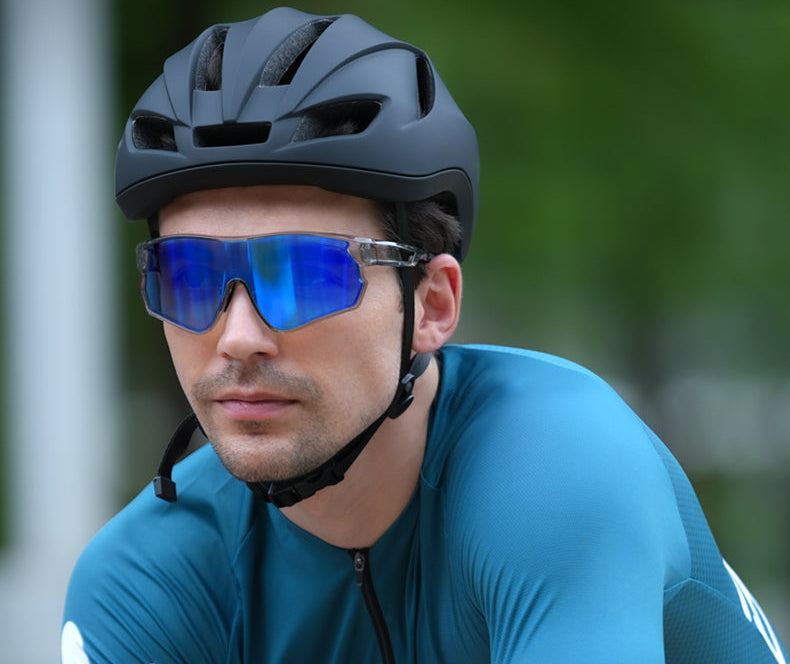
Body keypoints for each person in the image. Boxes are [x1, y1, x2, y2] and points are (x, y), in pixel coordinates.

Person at [61, 7, 787, 663]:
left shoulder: (560, 467)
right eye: (189, 277)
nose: (239, 336)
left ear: (432, 305)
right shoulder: (143, 576)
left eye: (306, 275)